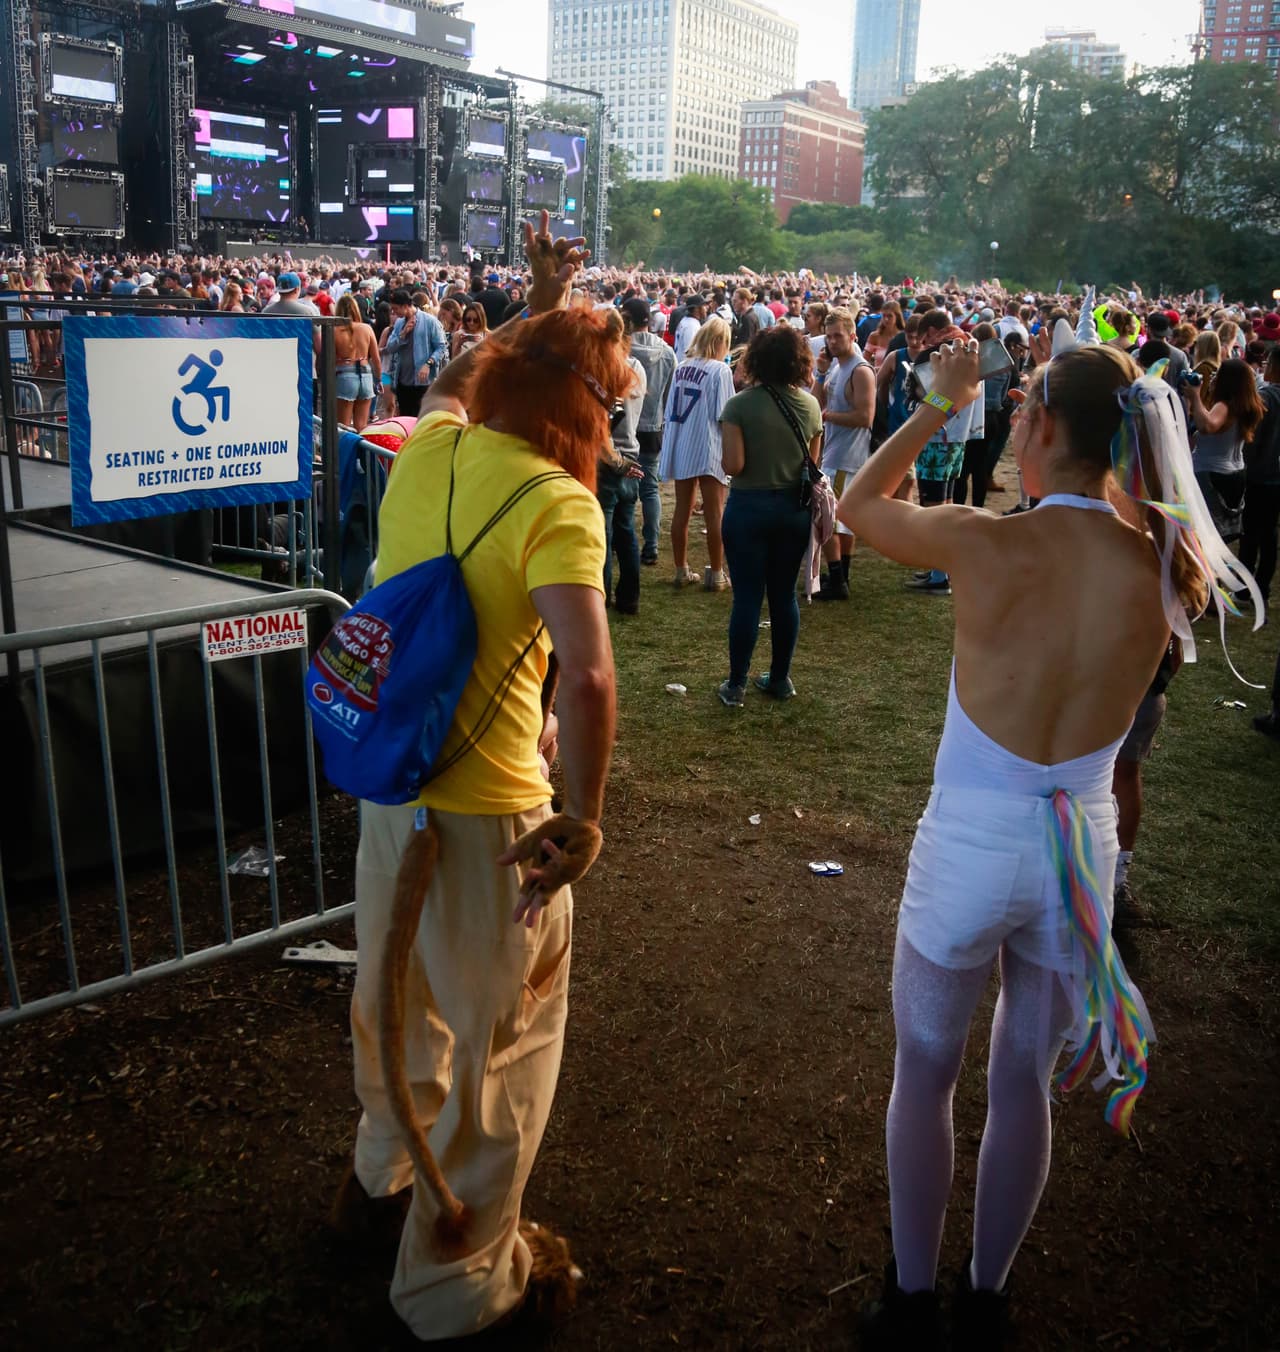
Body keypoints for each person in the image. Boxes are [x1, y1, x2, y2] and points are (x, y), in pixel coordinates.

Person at [839, 339, 1251, 1350]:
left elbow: (856, 504)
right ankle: (986, 1298)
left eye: (1024, 412)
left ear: (1041, 424)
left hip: (971, 845)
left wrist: (939, 403)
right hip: (1080, 853)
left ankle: (910, 1301)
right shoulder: (1167, 563)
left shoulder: (988, 540)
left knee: (925, 1072)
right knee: (1023, 1080)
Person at [336, 215, 623, 1343]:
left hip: (393, 790)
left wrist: (536, 310)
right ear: (583, 409)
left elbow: (457, 376)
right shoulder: (558, 502)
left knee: (393, 996)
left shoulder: (432, 449)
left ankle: (383, 1175)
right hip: (496, 820)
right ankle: (454, 1287)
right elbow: (586, 678)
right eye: (609, 404)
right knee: (505, 1046)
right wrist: (583, 815)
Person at [717, 325, 823, 707]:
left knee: (747, 597)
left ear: (755, 359)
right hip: (793, 510)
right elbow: (813, 464)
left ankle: (736, 684)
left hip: (748, 507)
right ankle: (780, 678)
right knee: (783, 595)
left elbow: (733, 465)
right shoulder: (810, 406)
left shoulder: (739, 406)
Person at [659, 316, 734, 589]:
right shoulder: (720, 370)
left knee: (682, 509)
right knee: (715, 514)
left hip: (682, 444)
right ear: (720, 342)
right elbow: (725, 415)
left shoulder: (682, 367)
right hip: (709, 445)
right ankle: (716, 573)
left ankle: (681, 570)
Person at [813, 307, 876, 600]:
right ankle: (841, 576)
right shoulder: (837, 367)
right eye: (829, 336)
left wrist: (829, 417)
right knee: (841, 520)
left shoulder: (860, 371)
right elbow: (816, 403)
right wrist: (820, 372)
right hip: (835, 452)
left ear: (853, 336)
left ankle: (838, 579)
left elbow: (865, 416)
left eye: (838, 336)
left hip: (847, 456)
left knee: (827, 519)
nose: (832, 341)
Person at [595, 309, 647, 614]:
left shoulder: (604, 370)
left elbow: (602, 424)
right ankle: (629, 598)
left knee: (603, 534)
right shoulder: (636, 366)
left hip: (610, 460)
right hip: (631, 450)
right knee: (626, 532)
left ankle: (601, 600)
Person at [1185, 356, 1264, 541]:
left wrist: (1195, 396)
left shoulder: (1224, 405)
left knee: (1206, 536)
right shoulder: (1245, 406)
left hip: (1211, 474)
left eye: (1218, 373)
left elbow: (1207, 426)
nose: (1213, 376)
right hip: (1235, 472)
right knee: (1221, 535)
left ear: (1227, 380)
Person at [623, 296, 676, 566]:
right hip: (653, 427)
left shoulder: (621, 350)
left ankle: (623, 541)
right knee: (650, 488)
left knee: (624, 487)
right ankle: (651, 545)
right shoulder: (667, 352)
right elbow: (670, 394)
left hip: (624, 425)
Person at [1239, 346, 1280, 616]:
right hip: (1275, 476)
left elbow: (1252, 438)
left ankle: (1245, 587)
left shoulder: (1265, 397)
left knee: (1251, 533)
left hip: (1259, 474)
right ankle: (1262, 586)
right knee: (1269, 534)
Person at [384, 287, 449, 417]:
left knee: (422, 416)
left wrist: (428, 364)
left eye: (396, 309)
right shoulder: (399, 323)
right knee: (405, 416)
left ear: (405, 306)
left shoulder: (429, 321)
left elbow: (441, 346)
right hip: (402, 380)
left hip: (423, 381)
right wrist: (402, 334)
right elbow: (390, 347)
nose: (394, 312)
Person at [333, 293, 381, 431]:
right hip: (366, 375)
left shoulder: (334, 331)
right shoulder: (367, 328)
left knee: (343, 427)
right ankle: (360, 446)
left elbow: (329, 359)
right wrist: (378, 380)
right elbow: (376, 359)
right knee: (362, 426)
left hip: (344, 376)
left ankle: (345, 446)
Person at [673, 293, 707, 362]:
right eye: (704, 306)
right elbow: (690, 353)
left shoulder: (687, 321)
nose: (706, 308)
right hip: (685, 365)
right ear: (696, 309)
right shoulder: (691, 326)